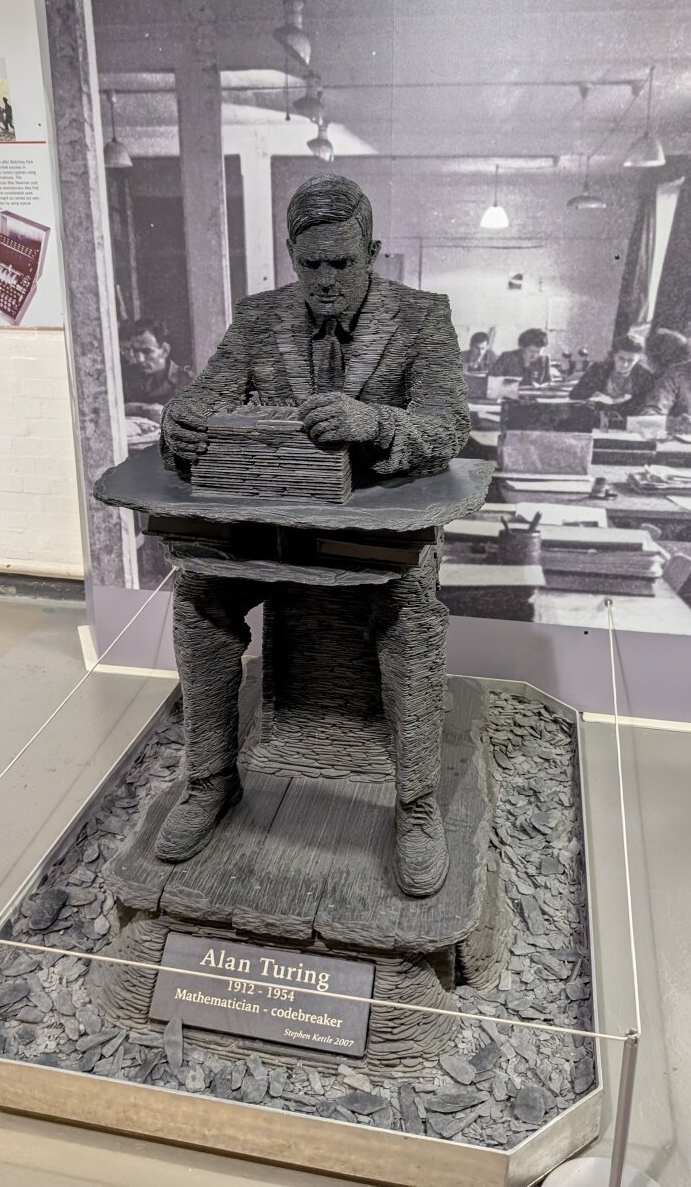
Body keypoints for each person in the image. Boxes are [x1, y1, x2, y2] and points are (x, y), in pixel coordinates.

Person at [158, 174, 469, 896]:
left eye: (342, 263)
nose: (325, 281)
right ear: (291, 256)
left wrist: (376, 424)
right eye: (310, 265)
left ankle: (416, 805)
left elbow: (447, 425)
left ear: (372, 251)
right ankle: (209, 781)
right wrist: (184, 414)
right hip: (270, 526)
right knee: (199, 597)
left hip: (373, 535)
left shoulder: (422, 318)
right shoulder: (259, 317)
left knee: (412, 617)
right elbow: (211, 391)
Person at [570, 334, 654, 416]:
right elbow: (574, 394)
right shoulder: (598, 369)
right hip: (596, 418)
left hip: (627, 420)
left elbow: (644, 405)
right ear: (614, 355)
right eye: (621, 358)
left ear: (639, 359)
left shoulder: (644, 376)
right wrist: (592, 394)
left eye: (630, 360)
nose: (625, 364)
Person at [121, 319, 188, 419]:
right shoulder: (124, 378)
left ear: (165, 351)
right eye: (135, 351)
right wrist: (143, 409)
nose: (139, 359)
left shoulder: (186, 380)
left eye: (147, 352)